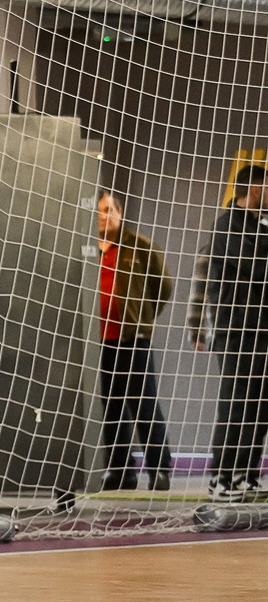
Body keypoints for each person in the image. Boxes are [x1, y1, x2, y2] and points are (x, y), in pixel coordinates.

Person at [95, 190, 175, 491]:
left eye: (109, 210)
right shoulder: (87, 248)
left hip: (133, 339)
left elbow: (163, 286)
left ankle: (159, 469)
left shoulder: (139, 246)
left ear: (120, 212)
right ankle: (121, 471)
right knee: (111, 407)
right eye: (99, 211)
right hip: (99, 342)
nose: (104, 216)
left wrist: (142, 317)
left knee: (144, 404)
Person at [205, 163, 268, 501]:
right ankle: (221, 476)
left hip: (263, 330)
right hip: (236, 331)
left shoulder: (261, 224)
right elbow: (256, 266)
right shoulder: (226, 226)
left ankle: (246, 473)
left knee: (260, 407)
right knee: (236, 404)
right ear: (255, 189)